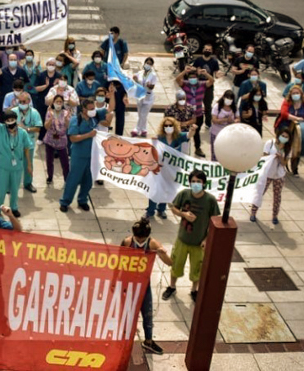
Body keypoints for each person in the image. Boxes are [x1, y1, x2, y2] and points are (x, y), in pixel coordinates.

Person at [162, 170, 220, 302]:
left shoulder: (210, 200)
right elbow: (174, 208)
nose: (195, 184)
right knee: (176, 264)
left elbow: (215, 221)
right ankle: (172, 286)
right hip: (182, 239)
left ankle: (194, 290)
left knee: (197, 268)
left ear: (204, 183)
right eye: (193, 181)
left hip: (199, 243)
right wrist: (184, 214)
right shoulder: (184, 194)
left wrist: (206, 239)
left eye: (198, 182)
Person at [121, 217, 171, 355]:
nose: (140, 241)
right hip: (128, 284)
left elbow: (169, 263)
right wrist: (116, 282)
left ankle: (148, 341)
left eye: (143, 239)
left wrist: (163, 253)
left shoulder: (153, 243)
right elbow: (118, 263)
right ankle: (125, 341)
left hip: (144, 285)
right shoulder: (127, 242)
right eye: (138, 238)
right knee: (127, 315)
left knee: (147, 314)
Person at [60, 98, 109, 213]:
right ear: (83, 109)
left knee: (88, 180)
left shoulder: (94, 118)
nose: (93, 111)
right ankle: (65, 201)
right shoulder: (75, 120)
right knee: (74, 179)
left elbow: (110, 109)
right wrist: (88, 135)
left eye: (94, 108)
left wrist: (111, 96)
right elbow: (73, 138)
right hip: (79, 154)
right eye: (90, 109)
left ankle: (83, 200)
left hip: (92, 154)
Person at [0, 100, 33, 218]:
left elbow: (27, 148)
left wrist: (29, 165)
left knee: (14, 188)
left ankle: (14, 207)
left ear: (16, 120)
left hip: (17, 166)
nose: (10, 122)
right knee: (0, 188)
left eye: (12, 120)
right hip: (2, 166)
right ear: (5, 122)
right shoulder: (1, 129)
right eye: (8, 121)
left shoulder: (22, 133)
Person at [250, 127, 291, 224]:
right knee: (260, 193)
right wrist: (272, 157)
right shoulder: (270, 143)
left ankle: (275, 215)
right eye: (282, 135)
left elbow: (284, 163)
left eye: (286, 137)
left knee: (277, 196)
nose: (284, 138)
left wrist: (281, 158)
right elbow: (264, 157)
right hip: (267, 174)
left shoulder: (288, 148)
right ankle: (253, 213)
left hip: (279, 175)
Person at [276, 85, 304, 176]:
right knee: (283, 147)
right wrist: (296, 118)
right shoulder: (287, 102)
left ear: (301, 94)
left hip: (298, 129)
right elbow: (284, 114)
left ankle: (294, 168)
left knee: (297, 148)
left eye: (297, 93)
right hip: (284, 127)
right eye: (293, 93)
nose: (295, 95)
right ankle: (279, 164)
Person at [43, 94, 71, 186]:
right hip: (50, 139)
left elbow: (68, 127)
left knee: (65, 161)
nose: (58, 103)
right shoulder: (49, 112)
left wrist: (67, 120)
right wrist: (50, 119)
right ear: (53, 103)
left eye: (60, 102)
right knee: (49, 160)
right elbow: (46, 126)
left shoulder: (66, 113)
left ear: (63, 103)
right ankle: (50, 177)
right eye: (57, 102)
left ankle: (67, 178)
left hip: (61, 140)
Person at [191, 44, 221, 127]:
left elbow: (216, 72)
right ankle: (196, 121)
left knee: (208, 106)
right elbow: (193, 69)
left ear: (211, 51)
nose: (207, 51)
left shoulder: (214, 61)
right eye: (206, 49)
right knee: (197, 105)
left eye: (209, 50)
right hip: (198, 85)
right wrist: (197, 70)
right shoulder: (198, 60)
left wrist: (218, 75)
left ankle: (208, 122)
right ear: (203, 50)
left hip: (208, 86)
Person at [209, 90, 237, 161]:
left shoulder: (234, 108)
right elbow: (214, 120)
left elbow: (238, 119)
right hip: (216, 133)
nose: (229, 100)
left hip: (228, 135)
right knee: (215, 153)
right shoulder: (217, 107)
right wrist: (225, 120)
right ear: (224, 97)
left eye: (231, 99)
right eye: (227, 98)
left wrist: (233, 121)